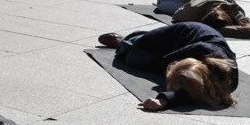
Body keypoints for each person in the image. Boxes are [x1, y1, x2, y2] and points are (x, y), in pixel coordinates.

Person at [96, 23, 239, 111]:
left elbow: (195, 92)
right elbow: (166, 63)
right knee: (134, 59)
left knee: (151, 66)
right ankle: (123, 41)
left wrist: (165, 100)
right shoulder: (198, 49)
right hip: (174, 36)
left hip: (196, 41)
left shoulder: (229, 79)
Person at [156, 0, 250, 38]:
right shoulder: (195, 8)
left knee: (162, 5)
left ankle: (186, 3)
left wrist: (219, 29)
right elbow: (177, 16)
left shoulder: (233, 10)